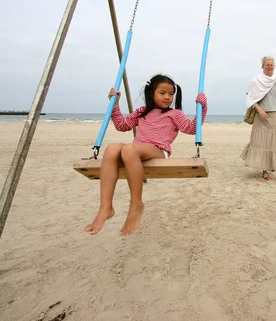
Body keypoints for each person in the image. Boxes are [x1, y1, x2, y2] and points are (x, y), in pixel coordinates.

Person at [84, 74, 207, 236]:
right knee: (112, 149)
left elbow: (191, 128)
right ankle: (105, 207)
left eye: (171, 93)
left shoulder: (174, 114)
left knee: (129, 149)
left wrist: (202, 107)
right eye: (162, 93)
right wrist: (115, 105)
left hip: (158, 150)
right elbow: (122, 125)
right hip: (137, 151)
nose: (168, 97)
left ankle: (136, 204)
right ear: (151, 93)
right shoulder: (142, 112)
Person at [240, 56, 276, 181]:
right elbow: (250, 97)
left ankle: (270, 164)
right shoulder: (256, 80)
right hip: (260, 115)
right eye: (267, 64)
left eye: (271, 64)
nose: (270, 66)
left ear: (274, 66)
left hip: (274, 115)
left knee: (275, 141)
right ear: (262, 66)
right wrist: (259, 110)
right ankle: (264, 170)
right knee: (262, 142)